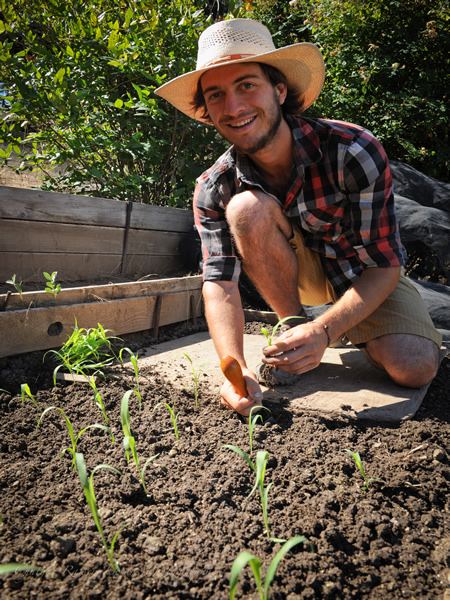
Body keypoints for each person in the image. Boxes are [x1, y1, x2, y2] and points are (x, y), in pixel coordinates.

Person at [155, 18, 442, 416]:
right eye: (216, 95)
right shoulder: (213, 187)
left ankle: (328, 332)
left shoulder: (351, 150)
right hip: (292, 281)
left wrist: (326, 329)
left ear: (279, 90)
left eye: (247, 85)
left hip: (364, 275)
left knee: (413, 366)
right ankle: (294, 329)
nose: (234, 107)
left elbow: (383, 264)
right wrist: (232, 369)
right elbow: (219, 285)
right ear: (207, 110)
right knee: (245, 207)